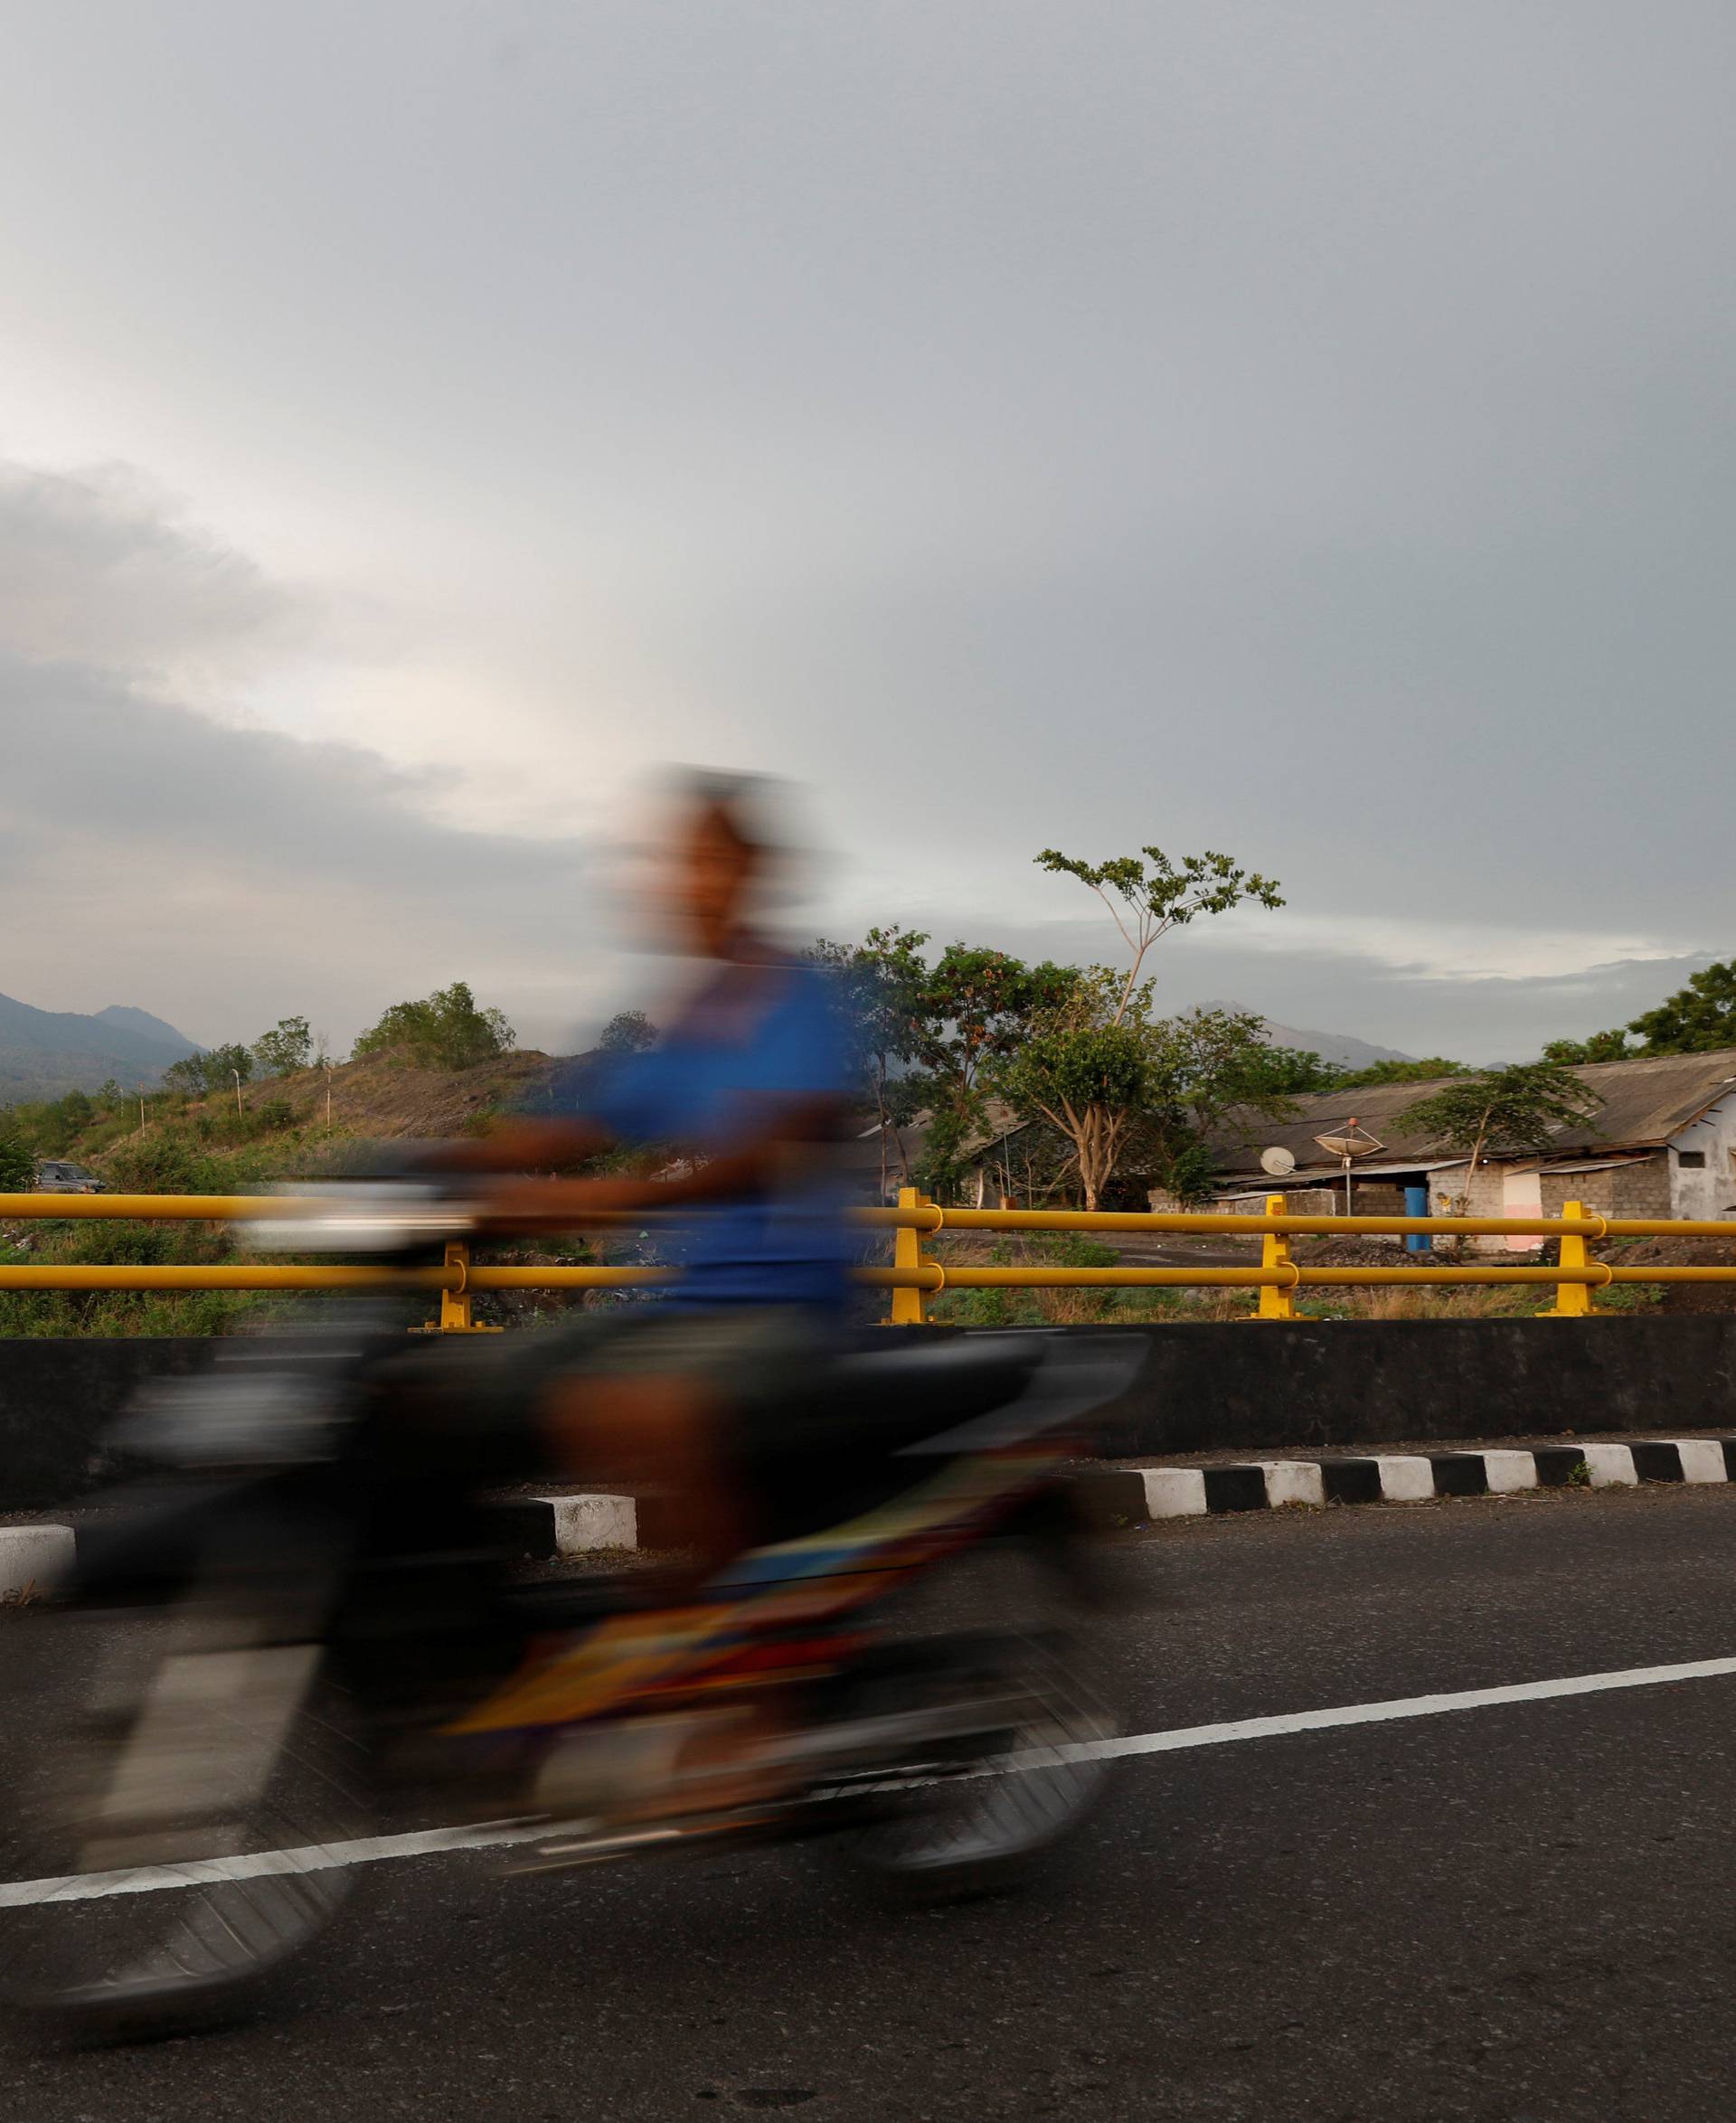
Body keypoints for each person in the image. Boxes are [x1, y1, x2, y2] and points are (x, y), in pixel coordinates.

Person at [446, 769, 854, 1585]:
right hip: (689, 1304)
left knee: (640, 1405)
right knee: (458, 1388)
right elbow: (586, 1120)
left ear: (752, 874)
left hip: (786, 1309)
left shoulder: (797, 998)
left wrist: (620, 1195)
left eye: (708, 860)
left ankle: (744, 1636)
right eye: (677, 862)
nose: (687, 882)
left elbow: (773, 1143)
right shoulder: (692, 1018)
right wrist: (455, 1164)